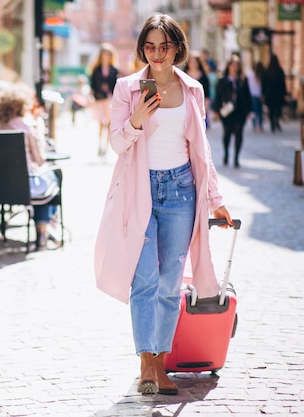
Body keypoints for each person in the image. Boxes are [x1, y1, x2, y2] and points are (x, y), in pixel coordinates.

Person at [93, 13, 234, 396]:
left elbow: (201, 150)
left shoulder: (193, 90)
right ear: (142, 49)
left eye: (164, 46)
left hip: (181, 191)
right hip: (140, 192)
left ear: (177, 48)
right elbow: (118, 145)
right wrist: (137, 117)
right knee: (145, 279)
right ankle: (146, 364)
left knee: (171, 282)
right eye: (150, 47)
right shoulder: (127, 88)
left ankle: (162, 361)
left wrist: (216, 201)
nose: (156, 54)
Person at [0, 88, 60, 250]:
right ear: (22, 106)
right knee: (51, 182)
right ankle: (43, 231)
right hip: (24, 186)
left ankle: (45, 230)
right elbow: (40, 160)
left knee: (45, 183)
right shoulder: (27, 126)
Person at [211, 55, 253, 168]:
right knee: (227, 133)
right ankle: (226, 154)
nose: (235, 68)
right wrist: (216, 110)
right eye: (232, 65)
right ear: (228, 66)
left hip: (240, 111)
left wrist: (250, 110)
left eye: (236, 66)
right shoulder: (222, 80)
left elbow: (248, 96)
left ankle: (236, 157)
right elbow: (218, 96)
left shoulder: (243, 80)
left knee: (239, 133)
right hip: (226, 111)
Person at [88, 43, 119, 156]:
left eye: (109, 54)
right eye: (105, 53)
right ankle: (100, 146)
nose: (106, 56)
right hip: (99, 99)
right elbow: (92, 85)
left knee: (110, 124)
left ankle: (105, 148)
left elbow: (116, 85)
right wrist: (90, 97)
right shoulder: (96, 69)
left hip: (110, 100)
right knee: (101, 123)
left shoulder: (114, 70)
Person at [182, 51, 210, 127]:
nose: (193, 64)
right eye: (191, 62)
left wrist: (206, 108)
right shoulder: (182, 75)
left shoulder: (204, 77)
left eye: (195, 62)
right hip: (185, 106)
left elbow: (207, 94)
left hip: (199, 105)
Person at [262, 53, 287, 133]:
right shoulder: (280, 71)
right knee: (278, 109)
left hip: (270, 94)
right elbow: (283, 84)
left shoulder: (267, 72)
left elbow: (264, 84)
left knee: (271, 110)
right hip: (278, 94)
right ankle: (276, 121)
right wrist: (284, 93)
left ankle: (273, 123)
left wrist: (263, 93)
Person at [246, 61, 265, 132]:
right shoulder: (261, 74)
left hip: (252, 94)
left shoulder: (250, 74)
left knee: (254, 111)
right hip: (259, 94)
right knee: (260, 111)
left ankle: (254, 126)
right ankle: (260, 125)